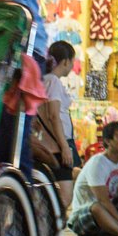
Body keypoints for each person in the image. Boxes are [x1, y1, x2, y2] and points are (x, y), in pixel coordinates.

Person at [37, 41, 79, 197]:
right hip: (57, 145)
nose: (72, 65)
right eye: (72, 61)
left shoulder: (44, 80)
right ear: (66, 61)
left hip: (49, 143)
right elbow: (53, 115)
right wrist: (64, 146)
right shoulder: (53, 81)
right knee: (65, 196)